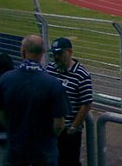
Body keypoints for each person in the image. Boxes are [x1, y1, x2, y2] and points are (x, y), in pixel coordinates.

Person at [0, 35, 69, 166]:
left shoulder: (6, 79)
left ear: (22, 52)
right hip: (44, 149)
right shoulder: (53, 84)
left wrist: (14, 129)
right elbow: (59, 124)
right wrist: (48, 136)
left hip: (16, 146)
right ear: (42, 54)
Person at [46, 37, 93, 166]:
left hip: (67, 131)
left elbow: (87, 103)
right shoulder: (50, 69)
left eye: (60, 54)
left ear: (70, 52)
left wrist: (73, 127)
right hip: (49, 128)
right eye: (54, 54)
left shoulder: (81, 74)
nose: (56, 57)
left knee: (68, 161)